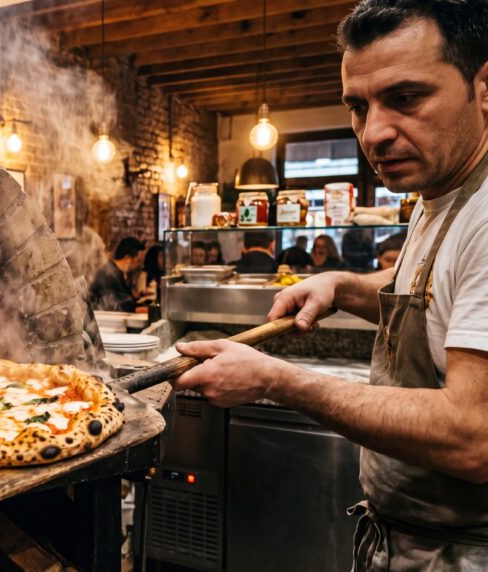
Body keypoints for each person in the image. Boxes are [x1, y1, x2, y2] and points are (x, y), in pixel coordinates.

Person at [173, 2, 488, 569]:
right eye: (357, 106)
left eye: (406, 98)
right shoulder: (442, 192)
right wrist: (342, 285)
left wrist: (278, 381)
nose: (375, 133)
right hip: (409, 540)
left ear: (484, 86)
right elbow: (432, 289)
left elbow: (475, 436)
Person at [89, 237, 146, 313]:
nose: (141, 266)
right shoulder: (109, 274)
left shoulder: (116, 271)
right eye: (138, 261)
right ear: (127, 258)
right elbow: (115, 305)